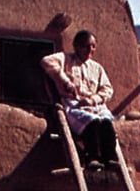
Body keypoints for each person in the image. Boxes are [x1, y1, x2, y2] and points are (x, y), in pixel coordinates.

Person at [41, 30, 117, 170]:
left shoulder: (97, 68)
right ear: (76, 45)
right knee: (90, 122)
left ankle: (110, 158)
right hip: (73, 104)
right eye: (86, 46)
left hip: (94, 105)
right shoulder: (65, 59)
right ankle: (92, 157)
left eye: (93, 46)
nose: (90, 49)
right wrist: (64, 80)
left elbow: (107, 89)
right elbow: (46, 61)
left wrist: (93, 99)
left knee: (106, 122)